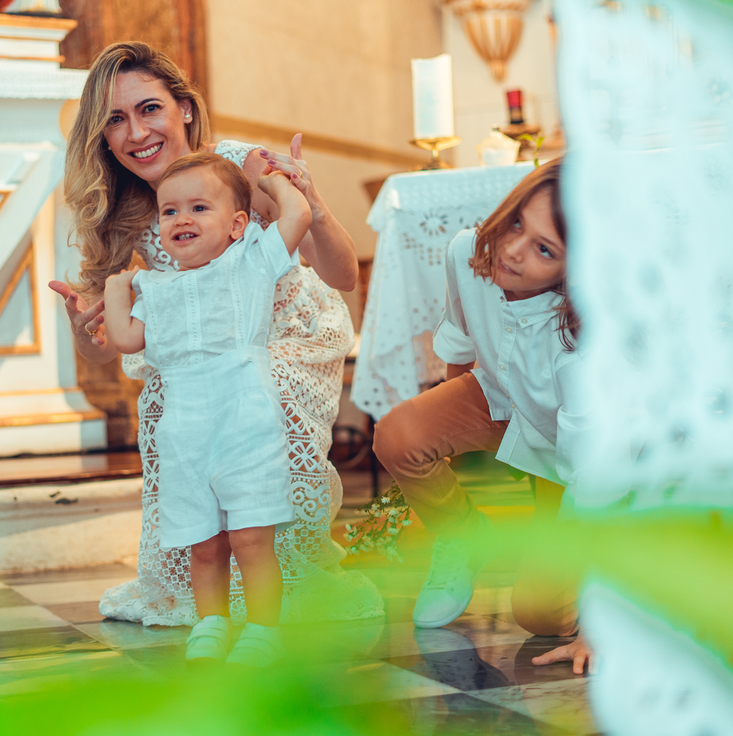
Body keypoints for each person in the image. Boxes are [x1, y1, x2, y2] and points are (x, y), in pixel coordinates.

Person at [49, 41, 382, 626]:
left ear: (183, 107)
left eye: (149, 108)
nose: (136, 132)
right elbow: (107, 345)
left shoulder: (235, 169)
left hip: (286, 335)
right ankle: (206, 577)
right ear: (101, 137)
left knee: (257, 385)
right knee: (168, 398)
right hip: (197, 355)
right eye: (115, 121)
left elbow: (342, 275)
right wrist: (84, 332)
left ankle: (280, 576)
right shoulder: (118, 212)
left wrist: (307, 197)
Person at [372, 158, 594, 671]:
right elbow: (459, 336)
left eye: (544, 249)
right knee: (401, 433)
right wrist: (446, 442)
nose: (513, 251)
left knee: (539, 611)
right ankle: (462, 538)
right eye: (517, 222)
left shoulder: (582, 347)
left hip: (577, 457)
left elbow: (596, 480)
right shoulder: (467, 251)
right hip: (500, 399)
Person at [102, 152, 310, 665]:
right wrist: (114, 289)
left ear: (237, 224)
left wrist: (273, 180)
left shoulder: (252, 260)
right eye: (170, 211)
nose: (182, 220)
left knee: (251, 538)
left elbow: (299, 216)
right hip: (184, 431)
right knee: (204, 542)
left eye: (199, 207)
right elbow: (128, 339)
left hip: (245, 422)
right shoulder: (156, 286)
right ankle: (212, 621)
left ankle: (264, 628)